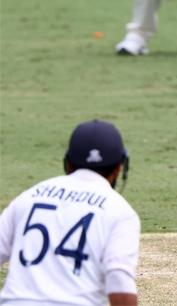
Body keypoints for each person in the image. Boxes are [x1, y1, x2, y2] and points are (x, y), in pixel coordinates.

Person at [0, 120, 140, 305]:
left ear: (68, 163)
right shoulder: (121, 212)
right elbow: (120, 288)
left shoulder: (29, 197)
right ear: (119, 168)